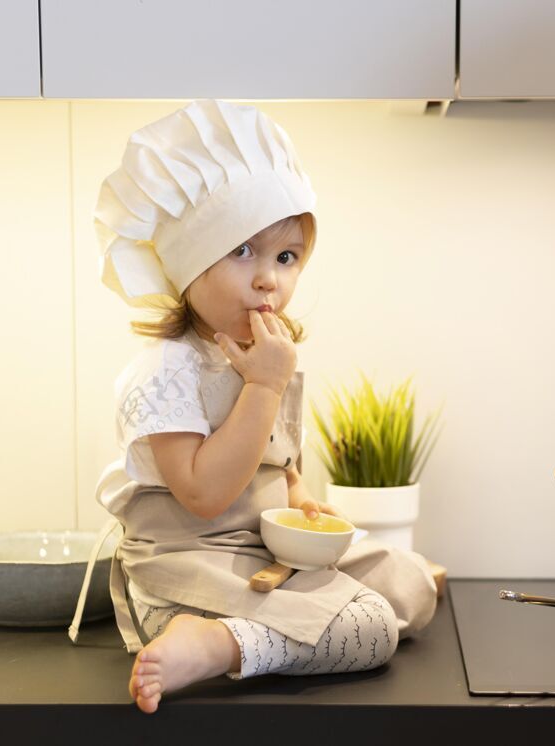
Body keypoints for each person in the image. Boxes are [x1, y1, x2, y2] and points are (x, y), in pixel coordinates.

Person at [69, 99, 437, 715]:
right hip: (189, 560)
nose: (269, 278)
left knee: (413, 583)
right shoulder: (168, 367)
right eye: (243, 251)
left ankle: (258, 631)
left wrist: (300, 501)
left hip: (263, 551)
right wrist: (263, 388)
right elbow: (204, 494)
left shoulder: (270, 349)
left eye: (286, 257)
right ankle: (213, 644)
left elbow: (279, 460)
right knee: (370, 626)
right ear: (189, 264)